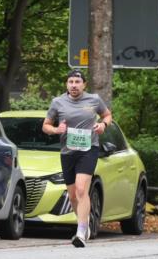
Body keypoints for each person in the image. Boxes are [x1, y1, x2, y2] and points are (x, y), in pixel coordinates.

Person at [42, 70, 113, 248]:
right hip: (68, 152)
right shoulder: (57, 102)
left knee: (82, 189)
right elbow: (45, 126)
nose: (74, 85)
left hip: (89, 149)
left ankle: (81, 231)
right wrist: (56, 130)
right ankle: (84, 222)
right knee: (73, 196)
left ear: (84, 84)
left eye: (77, 82)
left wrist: (103, 125)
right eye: (71, 82)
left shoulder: (94, 100)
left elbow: (107, 115)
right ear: (67, 84)